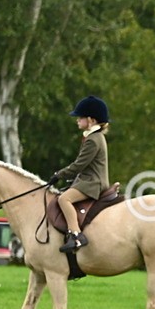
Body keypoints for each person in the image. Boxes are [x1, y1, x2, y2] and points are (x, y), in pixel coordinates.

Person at [50, 96, 110, 253]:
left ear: (91, 120)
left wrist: (59, 174)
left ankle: (76, 235)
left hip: (92, 183)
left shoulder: (93, 140)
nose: (77, 120)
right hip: (88, 180)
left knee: (64, 199)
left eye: (80, 117)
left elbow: (79, 165)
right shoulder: (94, 137)